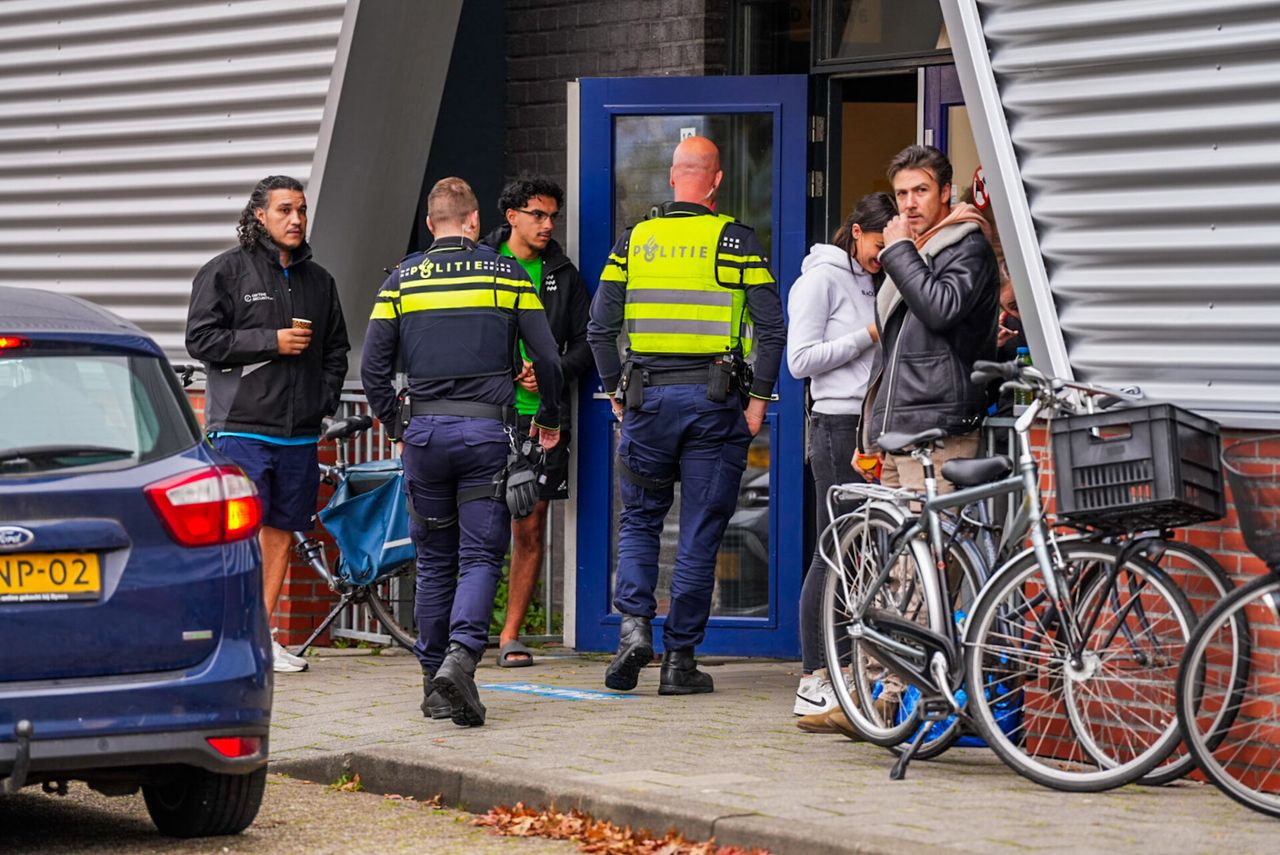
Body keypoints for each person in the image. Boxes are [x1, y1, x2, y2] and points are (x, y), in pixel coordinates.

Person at [587, 136, 786, 696]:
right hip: (713, 405)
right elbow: (772, 330)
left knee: (641, 520)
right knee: (700, 530)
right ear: (717, 182)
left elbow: (600, 330)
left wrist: (616, 396)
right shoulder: (736, 242)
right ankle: (679, 661)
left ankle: (632, 630)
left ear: (673, 178)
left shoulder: (635, 241)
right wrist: (758, 402)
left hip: (647, 402)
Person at [361, 177, 562, 727]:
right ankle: (462, 659)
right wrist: (548, 418)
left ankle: (433, 684)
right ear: (474, 221)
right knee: (478, 556)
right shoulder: (507, 274)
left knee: (434, 562)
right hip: (485, 437)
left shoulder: (401, 280)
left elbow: (373, 366)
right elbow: (547, 357)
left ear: (432, 224)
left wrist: (395, 420)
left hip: (424, 436)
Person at [186, 174, 350, 675]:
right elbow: (201, 340)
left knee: (280, 534)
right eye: (284, 210)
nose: (296, 219)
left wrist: (322, 400)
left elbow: (338, 349)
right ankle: (222, 639)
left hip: (300, 434)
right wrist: (270, 342)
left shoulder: (320, 281)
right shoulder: (225, 271)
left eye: (301, 209)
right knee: (238, 535)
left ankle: (261, 637)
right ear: (260, 216)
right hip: (241, 428)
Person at [784, 192, 896, 727]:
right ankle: (812, 681)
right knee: (834, 550)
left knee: (865, 553)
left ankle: (850, 674)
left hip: (871, 425)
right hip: (835, 426)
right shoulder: (819, 280)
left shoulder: (871, 279)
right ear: (856, 232)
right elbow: (800, 360)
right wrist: (867, 335)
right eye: (879, 243)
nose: (883, 253)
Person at [480, 177, 591, 668]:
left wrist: (550, 371)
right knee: (480, 528)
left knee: (530, 526)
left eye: (552, 217)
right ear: (512, 216)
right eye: (538, 215)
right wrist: (508, 374)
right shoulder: (481, 266)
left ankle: (510, 635)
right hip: (487, 418)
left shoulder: (564, 275)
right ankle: (466, 631)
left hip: (544, 421)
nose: (547, 225)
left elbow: (590, 343)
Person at [863, 145, 999, 493]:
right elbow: (891, 352)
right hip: (901, 432)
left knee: (930, 545)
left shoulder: (965, 247)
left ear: (945, 192)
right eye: (902, 193)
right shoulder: (914, 247)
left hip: (940, 433)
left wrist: (898, 252)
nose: (909, 203)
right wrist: (870, 432)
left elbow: (940, 310)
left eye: (921, 191)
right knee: (898, 545)